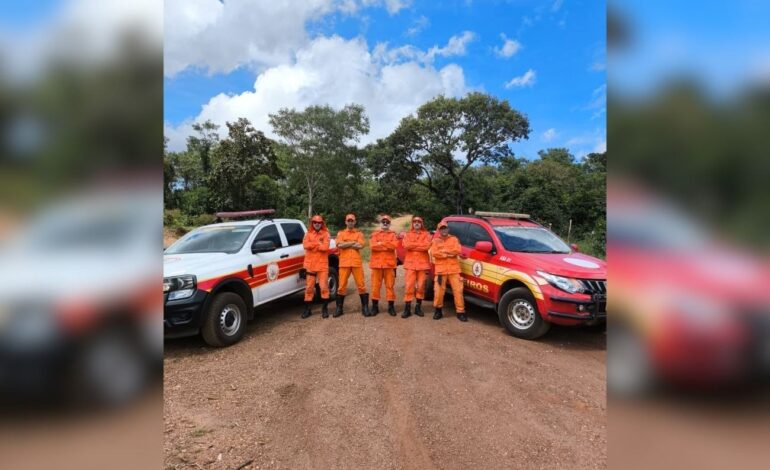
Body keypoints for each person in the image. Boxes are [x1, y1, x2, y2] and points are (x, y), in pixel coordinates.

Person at [430, 221, 467, 322]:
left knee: (458, 291)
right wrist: (448, 254)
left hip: (454, 270)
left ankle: (460, 312)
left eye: (445, 228)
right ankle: (438, 311)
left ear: (448, 229)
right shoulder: (435, 241)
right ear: (439, 230)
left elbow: (457, 250)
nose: (444, 230)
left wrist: (443, 251)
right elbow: (435, 253)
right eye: (441, 228)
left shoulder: (454, 239)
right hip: (441, 271)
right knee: (438, 292)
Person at [334, 213, 370, 317]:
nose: (350, 222)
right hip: (344, 263)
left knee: (361, 285)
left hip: (356, 263)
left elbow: (360, 245)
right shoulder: (341, 233)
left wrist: (346, 244)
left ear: (355, 222)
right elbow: (339, 245)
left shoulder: (359, 233)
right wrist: (352, 243)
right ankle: (339, 309)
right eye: (348, 220)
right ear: (346, 222)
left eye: (352, 220)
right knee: (341, 286)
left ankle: (365, 308)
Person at [400, 216, 431, 318]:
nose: (417, 223)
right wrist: (419, 246)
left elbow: (427, 246)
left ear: (421, 224)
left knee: (421, 286)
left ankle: (418, 307)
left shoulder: (426, 234)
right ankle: (407, 308)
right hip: (410, 265)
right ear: (412, 224)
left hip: (422, 265)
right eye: (415, 222)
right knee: (409, 286)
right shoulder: (408, 234)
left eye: (419, 222)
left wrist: (413, 246)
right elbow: (406, 245)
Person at [301, 214, 331, 319]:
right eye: (315, 222)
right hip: (310, 265)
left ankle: (325, 309)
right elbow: (305, 245)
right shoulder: (307, 234)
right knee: (309, 288)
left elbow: (325, 247)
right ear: (312, 223)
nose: (317, 224)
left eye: (319, 222)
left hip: (322, 266)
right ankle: (307, 310)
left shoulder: (326, 234)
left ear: (322, 223)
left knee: (323, 287)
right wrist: (318, 244)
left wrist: (313, 244)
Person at [369, 214, 398, 316]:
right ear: (380, 223)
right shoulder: (374, 234)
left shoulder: (393, 235)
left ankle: (391, 307)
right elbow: (372, 246)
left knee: (390, 286)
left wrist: (380, 243)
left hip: (389, 265)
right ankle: (374, 307)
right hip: (377, 265)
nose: (385, 223)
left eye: (387, 222)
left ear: (389, 224)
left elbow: (394, 246)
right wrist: (386, 244)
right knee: (375, 287)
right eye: (383, 222)